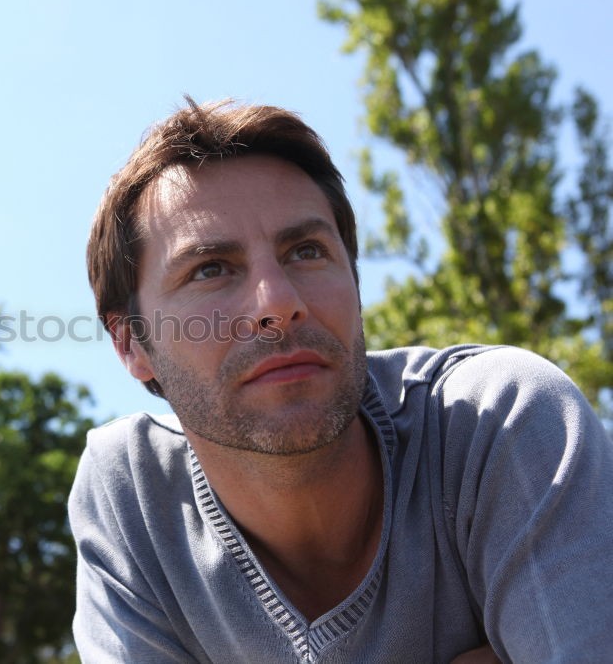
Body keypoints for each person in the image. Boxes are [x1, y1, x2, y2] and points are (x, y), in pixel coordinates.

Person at [70, 98, 613, 663]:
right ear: (132, 343)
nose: (279, 303)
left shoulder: (501, 418)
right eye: (211, 269)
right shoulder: (129, 495)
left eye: (306, 252)